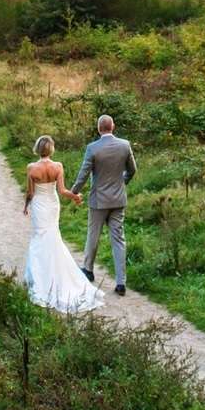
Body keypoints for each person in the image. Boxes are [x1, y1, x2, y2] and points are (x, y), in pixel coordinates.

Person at [21, 135, 103, 313]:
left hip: (39, 205)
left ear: (37, 149)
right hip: (52, 204)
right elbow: (62, 190)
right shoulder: (57, 166)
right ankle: (56, 276)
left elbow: (30, 191)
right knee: (53, 237)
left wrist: (26, 206)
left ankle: (39, 279)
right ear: (51, 149)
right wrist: (74, 196)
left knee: (39, 237)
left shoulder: (31, 168)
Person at [70, 113, 136, 295]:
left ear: (99, 128)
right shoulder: (125, 145)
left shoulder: (93, 148)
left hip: (98, 200)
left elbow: (84, 174)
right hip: (118, 200)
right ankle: (121, 282)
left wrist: (73, 191)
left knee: (93, 235)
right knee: (119, 239)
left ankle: (88, 270)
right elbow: (133, 170)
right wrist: (123, 181)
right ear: (112, 126)